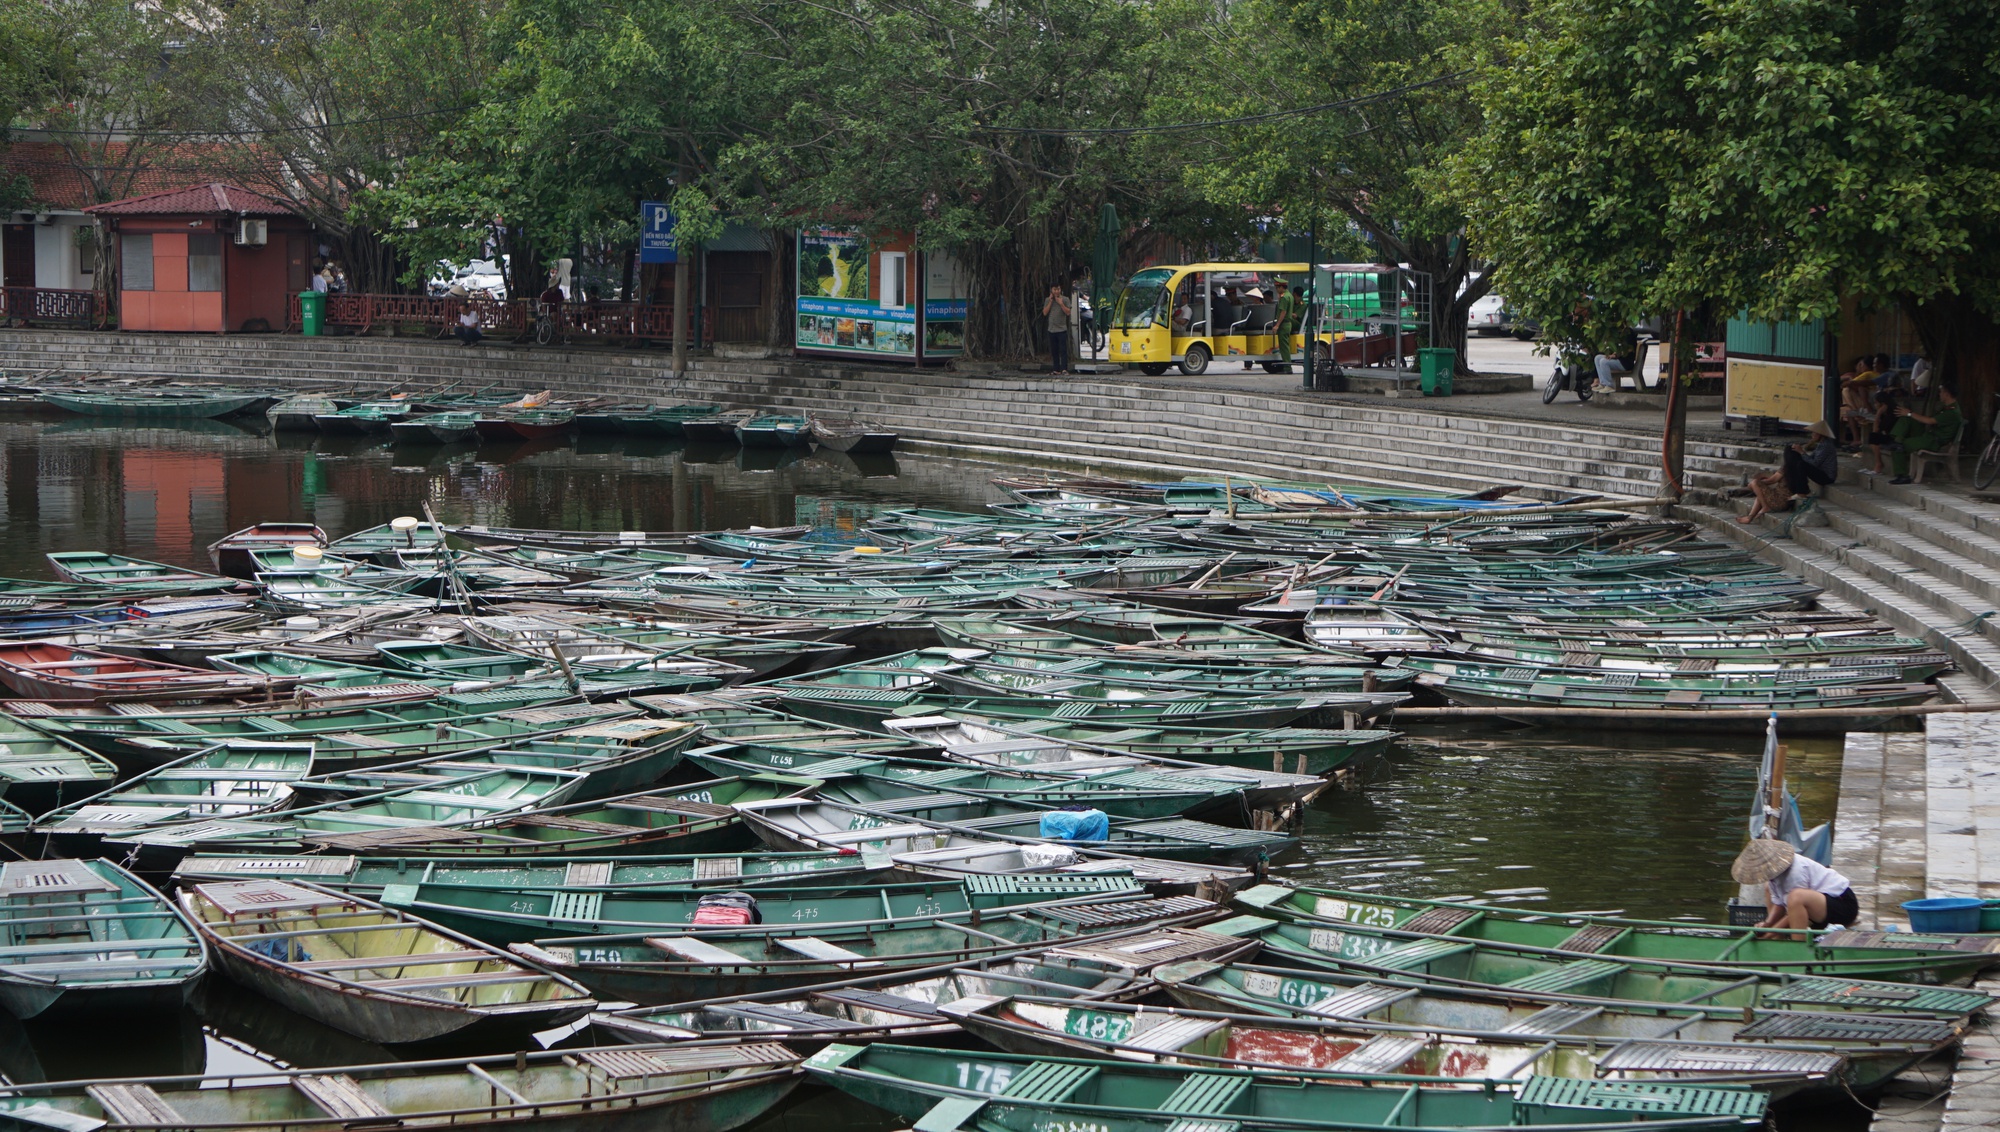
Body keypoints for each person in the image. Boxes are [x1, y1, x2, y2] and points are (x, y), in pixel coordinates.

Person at [1733, 838, 1859, 933]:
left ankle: (1798, 944)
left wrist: (1769, 933)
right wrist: (1768, 923)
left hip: (1842, 905)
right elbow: (1779, 903)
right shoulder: (1773, 876)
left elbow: (1792, 911)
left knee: (1796, 897)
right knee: (1768, 888)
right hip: (1821, 908)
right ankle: (1778, 939)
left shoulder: (1795, 872)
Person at [1738, 420, 1837, 523]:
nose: (1812, 435)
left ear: (1820, 434)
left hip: (1826, 476)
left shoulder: (1826, 446)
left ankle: (1801, 492)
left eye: (1814, 433)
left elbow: (1814, 463)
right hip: (1818, 473)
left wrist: (1801, 452)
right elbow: (1811, 459)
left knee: (1801, 464)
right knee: (1800, 464)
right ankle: (1750, 517)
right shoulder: (1820, 445)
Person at [1886, 384, 1963, 483]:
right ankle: (1895, 439)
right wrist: (1909, 414)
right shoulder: (1947, 407)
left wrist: (1910, 413)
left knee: (1897, 446)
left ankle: (1902, 475)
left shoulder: (1952, 412)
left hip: (1933, 441)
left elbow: (1930, 421)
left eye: (1941, 392)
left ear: (1947, 394)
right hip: (1929, 436)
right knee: (1907, 419)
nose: (1939, 394)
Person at [1863, 389, 1900, 475]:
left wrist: (1878, 414)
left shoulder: (1893, 413)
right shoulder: (1886, 414)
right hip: (1889, 435)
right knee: (1873, 438)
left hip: (1895, 437)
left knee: (1873, 438)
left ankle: (1879, 464)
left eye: (1876, 403)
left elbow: (1876, 430)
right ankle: (1878, 463)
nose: (1875, 405)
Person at [1041, 283, 1071, 375]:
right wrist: (1050, 301)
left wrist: (1061, 304)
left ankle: (1064, 369)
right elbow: (1045, 313)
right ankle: (1056, 369)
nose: (1057, 291)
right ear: (1051, 290)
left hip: (1061, 329)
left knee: (1063, 350)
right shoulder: (1047, 300)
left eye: (1058, 289)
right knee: (1054, 351)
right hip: (1052, 329)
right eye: (1055, 289)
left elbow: (1068, 312)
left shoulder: (1065, 299)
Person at [1272, 280, 1300, 372]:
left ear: (1281, 287)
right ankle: (1287, 366)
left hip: (1284, 324)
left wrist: (1277, 325)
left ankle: (1287, 367)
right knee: (1285, 346)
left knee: (1284, 347)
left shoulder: (1284, 297)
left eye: (1277, 288)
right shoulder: (1290, 296)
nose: (1276, 290)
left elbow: (1283, 312)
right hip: (1288, 324)